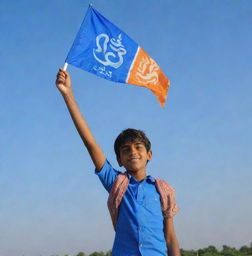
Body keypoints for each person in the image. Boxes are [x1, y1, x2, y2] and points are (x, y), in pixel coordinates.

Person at [55, 69, 181, 256]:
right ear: (119, 160)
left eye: (138, 147)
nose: (133, 152)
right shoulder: (117, 184)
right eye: (126, 150)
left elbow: (170, 237)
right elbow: (90, 143)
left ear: (149, 155)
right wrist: (68, 94)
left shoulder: (163, 191)